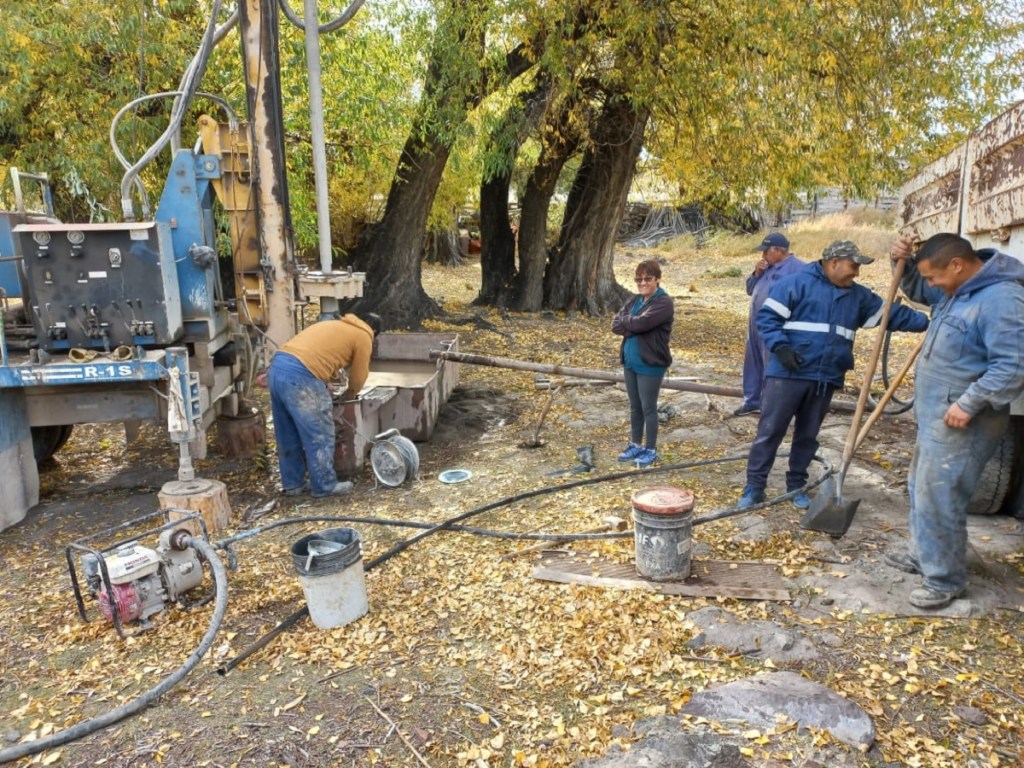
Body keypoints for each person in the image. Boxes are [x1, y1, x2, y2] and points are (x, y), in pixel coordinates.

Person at [886, 233, 1024, 609]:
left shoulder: (1001, 299)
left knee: (941, 496)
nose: (931, 286)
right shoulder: (956, 289)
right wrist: (900, 260)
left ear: (957, 265)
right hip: (936, 415)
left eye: (934, 277)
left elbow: (1012, 366)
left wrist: (969, 403)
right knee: (921, 488)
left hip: (965, 420)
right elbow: (918, 288)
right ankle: (923, 555)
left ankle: (944, 580)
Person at [738, 240, 929, 510]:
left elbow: (892, 315)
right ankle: (754, 488)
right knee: (770, 431)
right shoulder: (795, 284)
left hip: (825, 377)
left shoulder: (858, 296)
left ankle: (796, 487)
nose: (857, 273)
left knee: (808, 436)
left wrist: (930, 322)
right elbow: (767, 319)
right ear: (834, 262)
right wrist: (781, 348)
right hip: (787, 375)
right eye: (853, 266)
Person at [268, 312, 382, 497]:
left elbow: (317, 355)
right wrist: (349, 395)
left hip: (278, 368)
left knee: (287, 432)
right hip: (301, 375)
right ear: (374, 330)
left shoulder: (336, 325)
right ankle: (324, 486)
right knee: (319, 434)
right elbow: (359, 376)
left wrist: (323, 382)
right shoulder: (364, 335)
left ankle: (293, 484)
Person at [735, 232, 806, 417]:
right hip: (755, 326)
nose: (762, 256)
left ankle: (771, 407)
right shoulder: (766, 267)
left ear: (777, 250)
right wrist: (756, 274)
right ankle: (752, 402)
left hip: (775, 328)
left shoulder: (799, 269)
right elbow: (750, 290)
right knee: (752, 364)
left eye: (765, 251)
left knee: (771, 367)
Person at [612, 259, 674, 468]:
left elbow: (643, 323)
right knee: (635, 406)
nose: (642, 283)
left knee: (649, 408)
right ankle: (636, 444)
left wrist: (631, 323)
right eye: (639, 279)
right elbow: (615, 324)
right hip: (630, 361)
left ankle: (651, 449)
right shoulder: (634, 300)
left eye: (647, 279)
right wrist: (634, 325)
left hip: (650, 363)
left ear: (657, 279)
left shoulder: (663, 302)